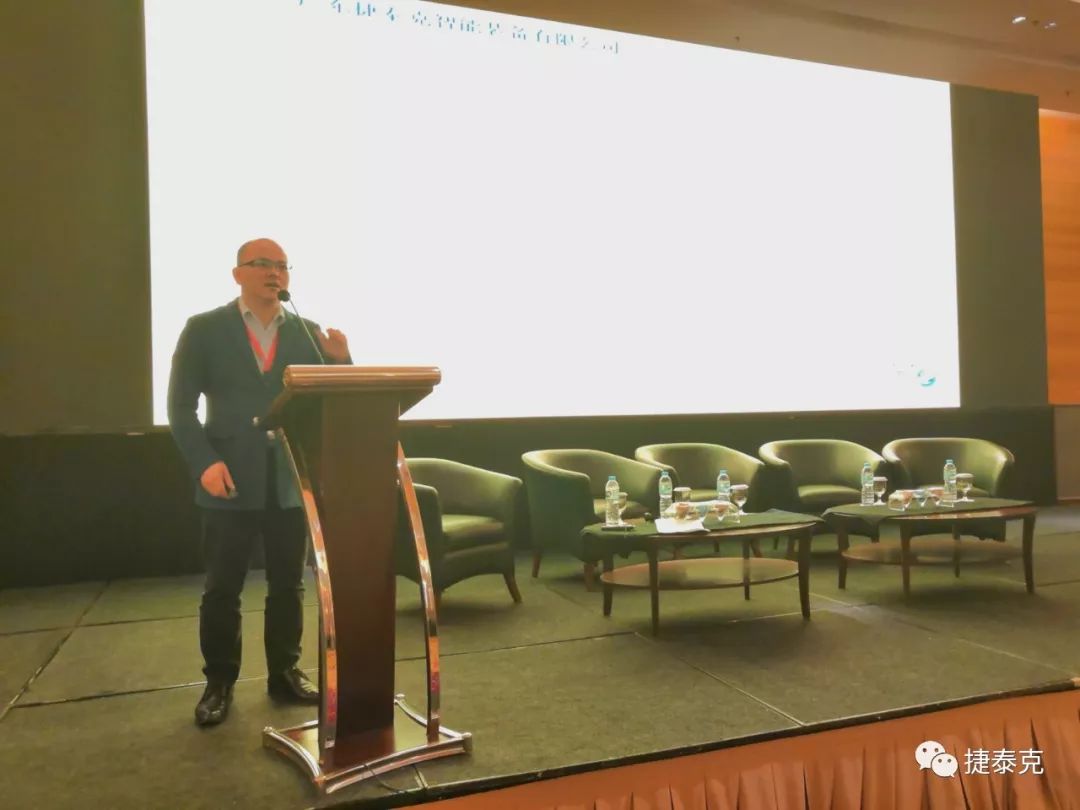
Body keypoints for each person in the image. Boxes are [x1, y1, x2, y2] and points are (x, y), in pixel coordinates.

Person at [168, 238, 350, 726]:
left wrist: (340, 361)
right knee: (222, 588)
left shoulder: (307, 331)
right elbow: (180, 408)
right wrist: (204, 462)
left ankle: (284, 673)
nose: (275, 273)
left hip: (289, 478)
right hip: (227, 477)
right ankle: (219, 682)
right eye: (263, 264)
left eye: (283, 266)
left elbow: (335, 400)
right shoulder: (204, 328)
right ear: (238, 274)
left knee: (288, 585)